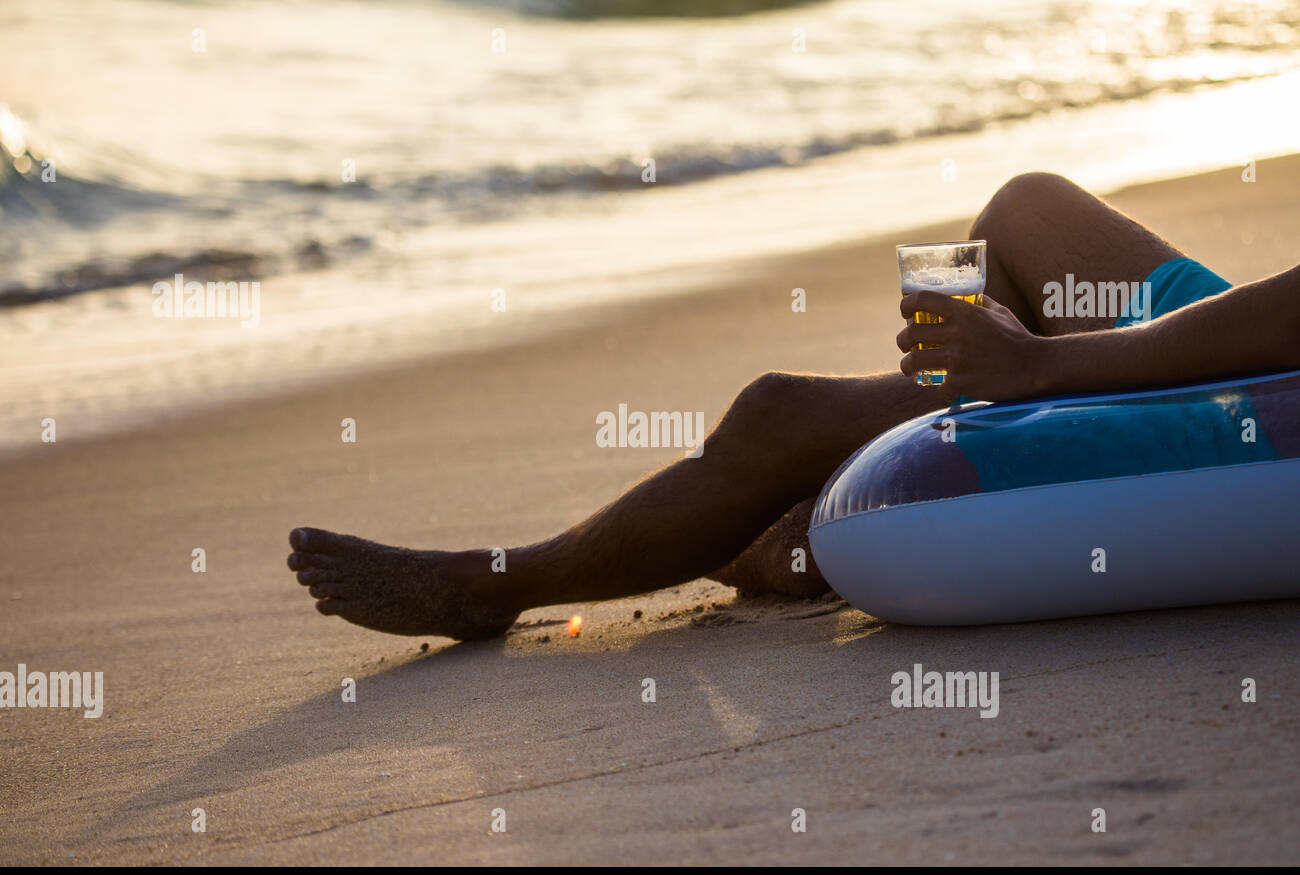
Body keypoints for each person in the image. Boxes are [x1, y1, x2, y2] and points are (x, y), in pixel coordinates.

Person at [286, 172, 1300, 640]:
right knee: (1023, 211)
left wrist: (1034, 371)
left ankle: (495, 585)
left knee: (775, 411)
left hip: (1264, 402)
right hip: (1266, 334)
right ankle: (812, 509)